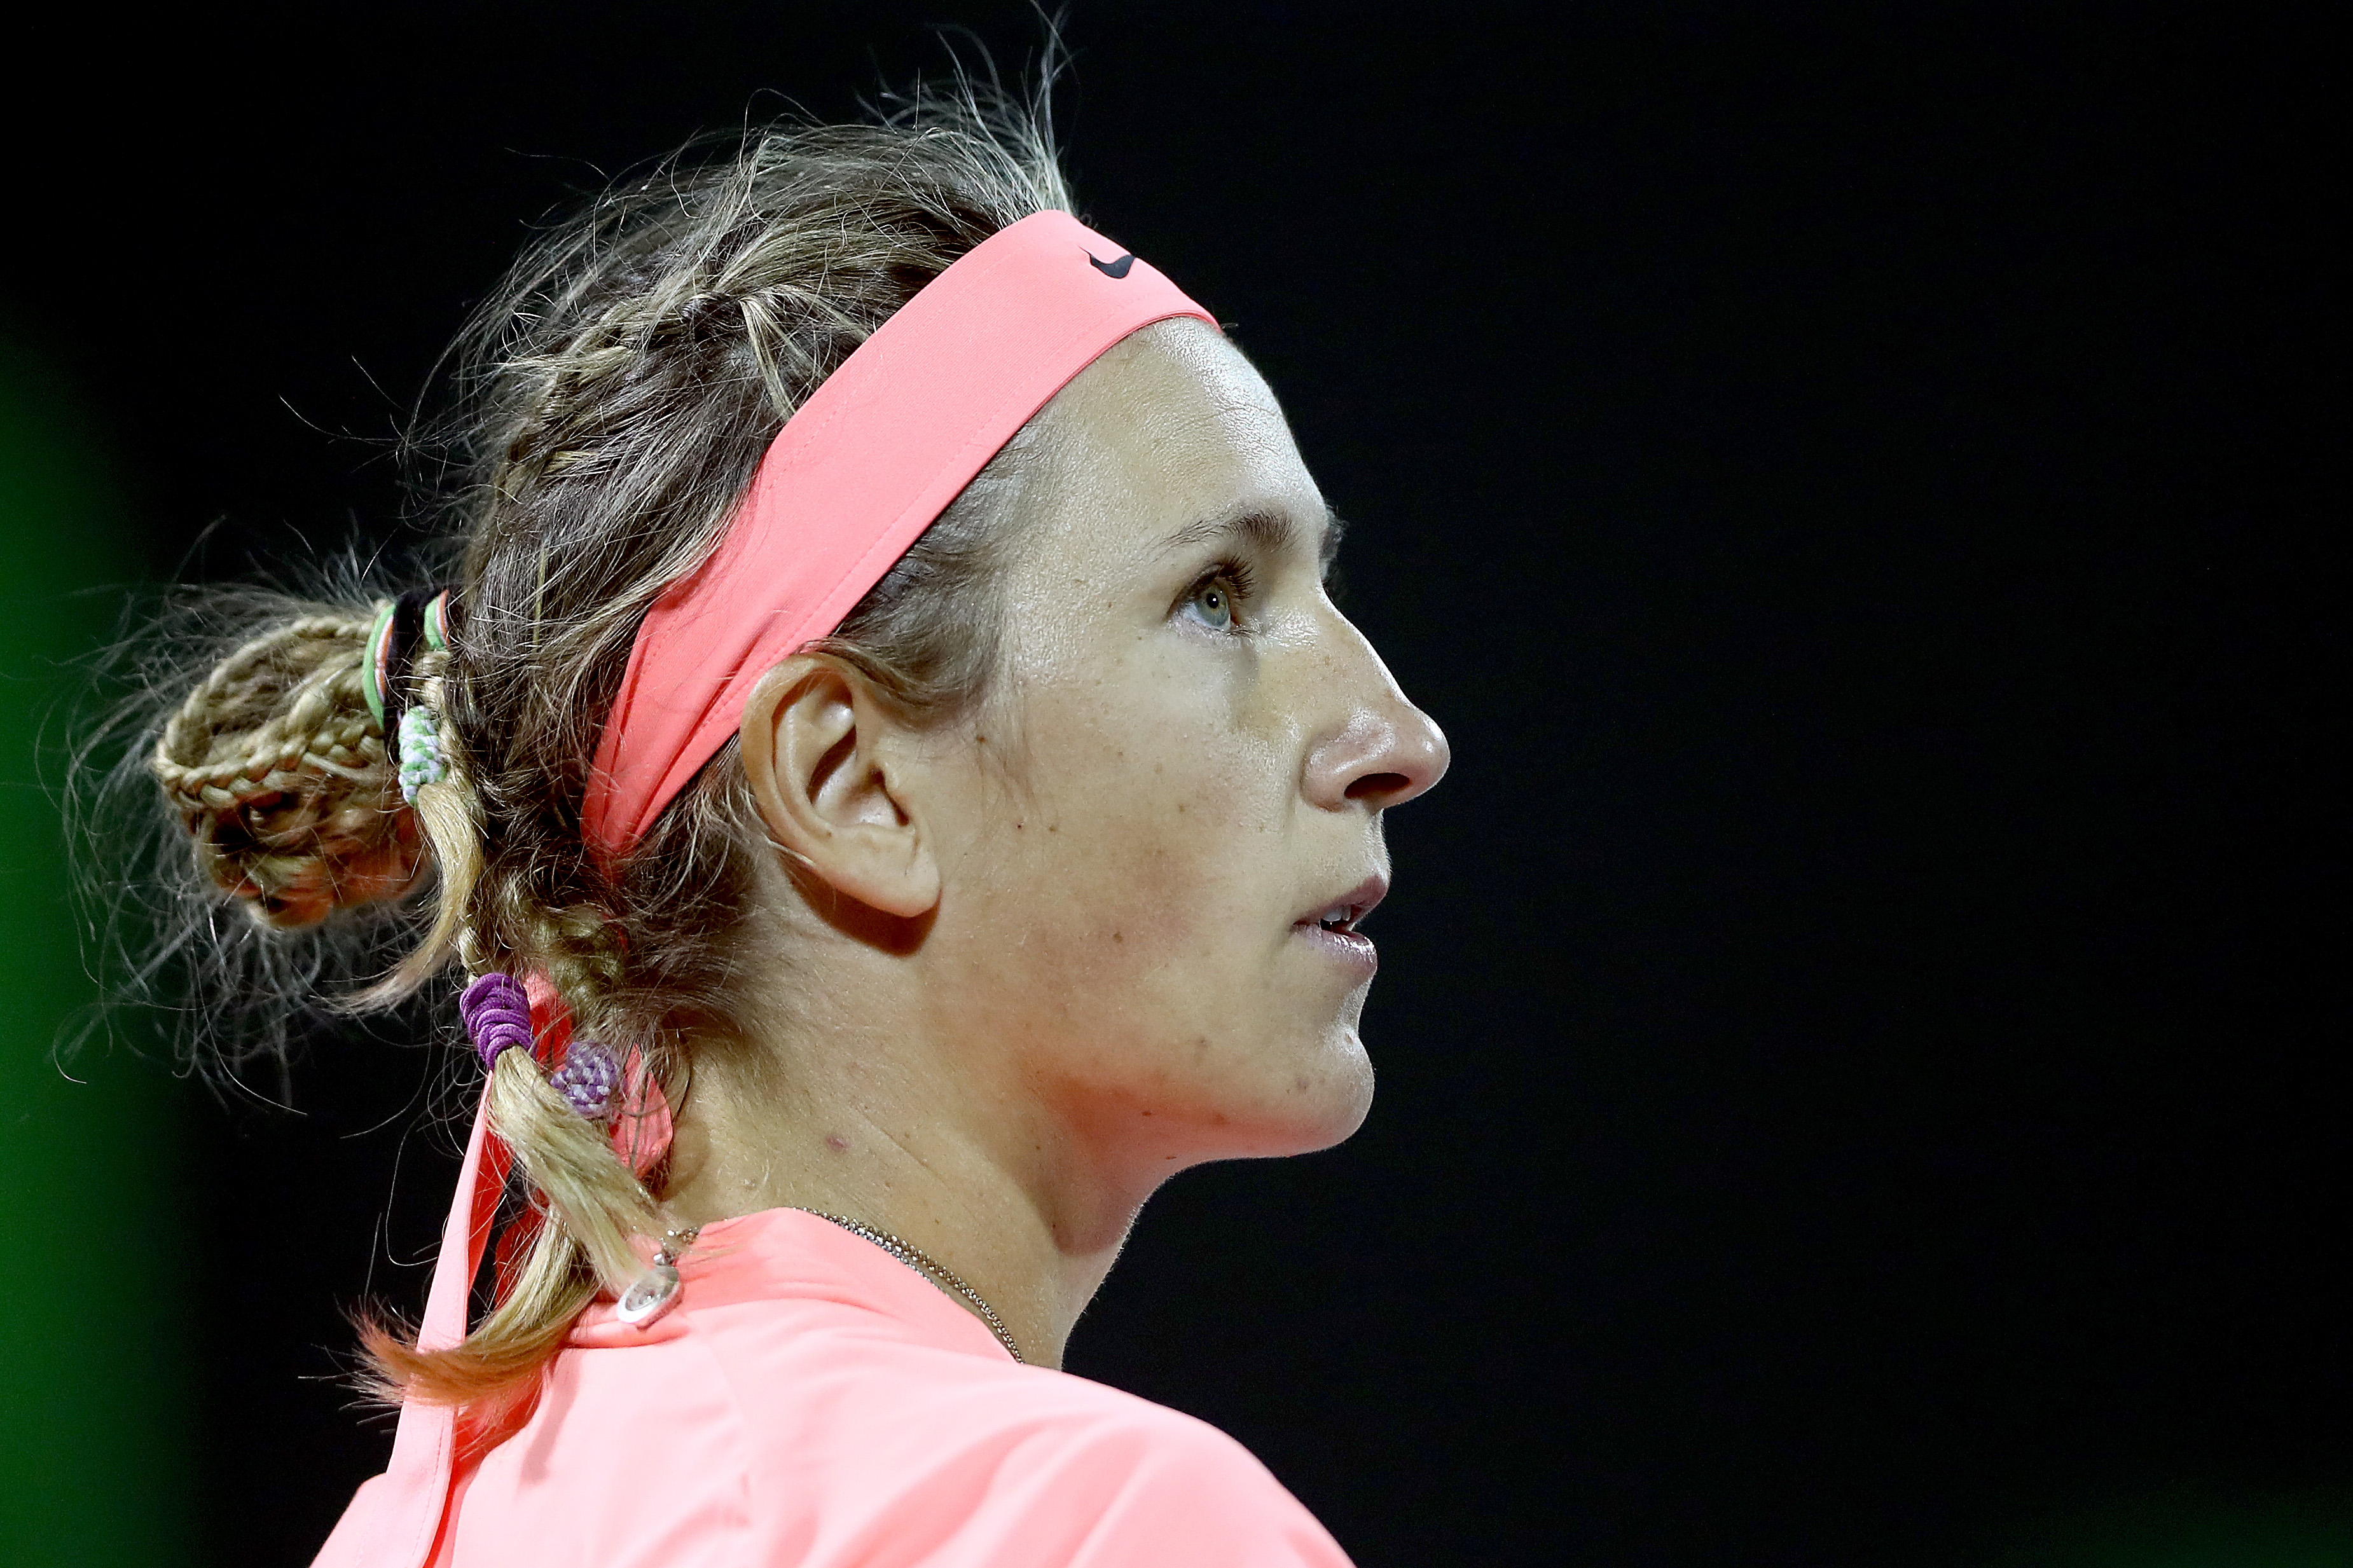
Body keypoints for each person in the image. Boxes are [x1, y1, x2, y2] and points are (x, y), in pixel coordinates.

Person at [132, 86, 1446, 1566]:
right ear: (851, 785)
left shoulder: (414, 1530)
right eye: (1215, 597)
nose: (1401, 741)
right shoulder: (1095, 1521)